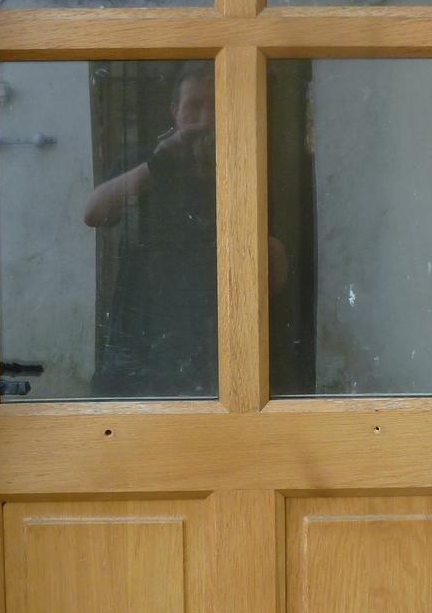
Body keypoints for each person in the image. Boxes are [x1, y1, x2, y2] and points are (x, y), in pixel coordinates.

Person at [83, 61, 287, 396]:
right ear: (174, 111)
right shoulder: (148, 160)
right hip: (145, 324)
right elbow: (94, 213)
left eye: (215, 106)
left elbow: (276, 272)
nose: (205, 119)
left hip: (217, 324)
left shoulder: (248, 167)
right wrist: (157, 166)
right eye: (194, 106)